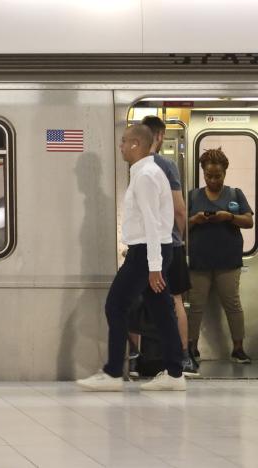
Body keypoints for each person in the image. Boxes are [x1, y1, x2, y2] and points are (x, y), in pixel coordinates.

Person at [76, 124, 185, 391]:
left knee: (116, 305)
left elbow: (153, 222)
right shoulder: (145, 173)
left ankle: (113, 373)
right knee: (162, 312)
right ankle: (175, 373)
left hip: (147, 253)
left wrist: (154, 266)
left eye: (124, 141)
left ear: (136, 144)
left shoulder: (146, 175)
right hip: (148, 250)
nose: (121, 146)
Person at [135, 115, 198, 375]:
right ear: (160, 136)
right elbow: (179, 210)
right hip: (168, 245)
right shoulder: (166, 165)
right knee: (175, 300)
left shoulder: (137, 165)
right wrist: (179, 240)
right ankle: (182, 356)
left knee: (136, 299)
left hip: (143, 245)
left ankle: (141, 356)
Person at [187, 148, 254, 364]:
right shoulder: (193, 196)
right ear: (203, 173)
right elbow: (180, 225)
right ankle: (192, 347)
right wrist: (195, 220)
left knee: (232, 305)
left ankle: (238, 348)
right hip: (200, 261)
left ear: (225, 173)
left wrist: (229, 216)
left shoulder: (235, 194)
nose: (213, 180)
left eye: (218, 176)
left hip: (228, 261)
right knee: (196, 305)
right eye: (208, 175)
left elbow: (248, 221)